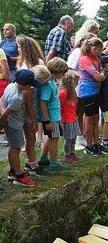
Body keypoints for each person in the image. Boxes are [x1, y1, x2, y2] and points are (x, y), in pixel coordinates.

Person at [0, 69, 40, 186]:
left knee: (13, 147)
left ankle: (13, 171)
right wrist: (2, 124)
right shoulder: (17, 98)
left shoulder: (10, 86)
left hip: (13, 123)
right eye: (30, 85)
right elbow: (5, 114)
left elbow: (1, 101)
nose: (31, 87)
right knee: (16, 148)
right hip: (13, 125)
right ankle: (18, 175)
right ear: (23, 84)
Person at [16, 36, 47, 174]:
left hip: (32, 100)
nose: (17, 49)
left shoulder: (37, 62)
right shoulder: (21, 61)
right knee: (29, 134)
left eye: (19, 46)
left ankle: (31, 162)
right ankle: (32, 163)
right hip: (23, 101)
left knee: (31, 133)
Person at [38, 57, 70, 171]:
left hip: (54, 117)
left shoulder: (52, 82)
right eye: (63, 72)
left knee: (51, 137)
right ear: (57, 71)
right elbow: (42, 103)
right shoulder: (47, 85)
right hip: (51, 118)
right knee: (54, 140)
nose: (64, 75)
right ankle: (53, 164)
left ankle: (43, 159)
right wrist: (47, 121)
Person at [78, 37, 108, 156]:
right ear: (94, 48)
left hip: (96, 91)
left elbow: (102, 73)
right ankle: (89, 145)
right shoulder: (85, 59)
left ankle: (96, 143)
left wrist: (102, 74)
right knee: (89, 120)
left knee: (96, 118)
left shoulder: (96, 58)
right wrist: (103, 73)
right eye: (100, 50)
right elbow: (99, 76)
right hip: (87, 92)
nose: (101, 53)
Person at [67, 32, 96, 148]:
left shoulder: (90, 55)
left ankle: (83, 134)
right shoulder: (77, 53)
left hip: (86, 87)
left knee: (84, 111)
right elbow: (70, 68)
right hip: (78, 86)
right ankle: (78, 136)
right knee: (78, 111)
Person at [59, 70, 81, 163]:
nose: (77, 83)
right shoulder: (63, 93)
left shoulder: (72, 92)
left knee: (73, 137)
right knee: (68, 138)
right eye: (76, 81)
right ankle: (67, 155)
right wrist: (61, 120)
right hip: (67, 119)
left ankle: (72, 152)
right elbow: (59, 107)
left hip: (73, 118)